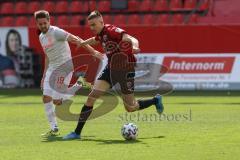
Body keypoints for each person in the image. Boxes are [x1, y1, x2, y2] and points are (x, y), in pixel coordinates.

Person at [63, 10, 164, 140]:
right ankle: (76, 133)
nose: (92, 28)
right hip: (111, 69)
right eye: (90, 25)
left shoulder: (110, 30)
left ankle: (155, 100)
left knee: (130, 107)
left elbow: (129, 38)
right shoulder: (101, 34)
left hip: (126, 70)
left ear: (101, 22)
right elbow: (96, 40)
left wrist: (133, 47)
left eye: (94, 25)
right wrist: (84, 43)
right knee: (92, 97)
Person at [34, 10, 103, 137]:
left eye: (45, 23)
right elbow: (47, 56)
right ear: (37, 24)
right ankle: (54, 128)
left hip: (64, 68)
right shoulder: (41, 37)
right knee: (45, 97)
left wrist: (93, 51)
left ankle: (79, 84)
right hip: (52, 69)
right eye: (40, 24)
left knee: (57, 101)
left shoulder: (56, 32)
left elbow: (77, 40)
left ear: (49, 21)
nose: (43, 26)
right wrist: (44, 75)